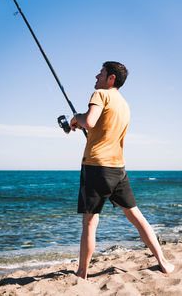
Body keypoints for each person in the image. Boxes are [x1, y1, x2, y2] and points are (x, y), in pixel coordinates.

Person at [70, 61, 174, 279]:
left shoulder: (100, 95)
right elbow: (104, 130)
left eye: (101, 73)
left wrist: (75, 119)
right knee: (136, 216)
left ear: (111, 79)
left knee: (90, 221)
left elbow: (89, 121)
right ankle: (163, 261)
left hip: (96, 167)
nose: (96, 76)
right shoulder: (125, 105)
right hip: (118, 168)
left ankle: (81, 273)